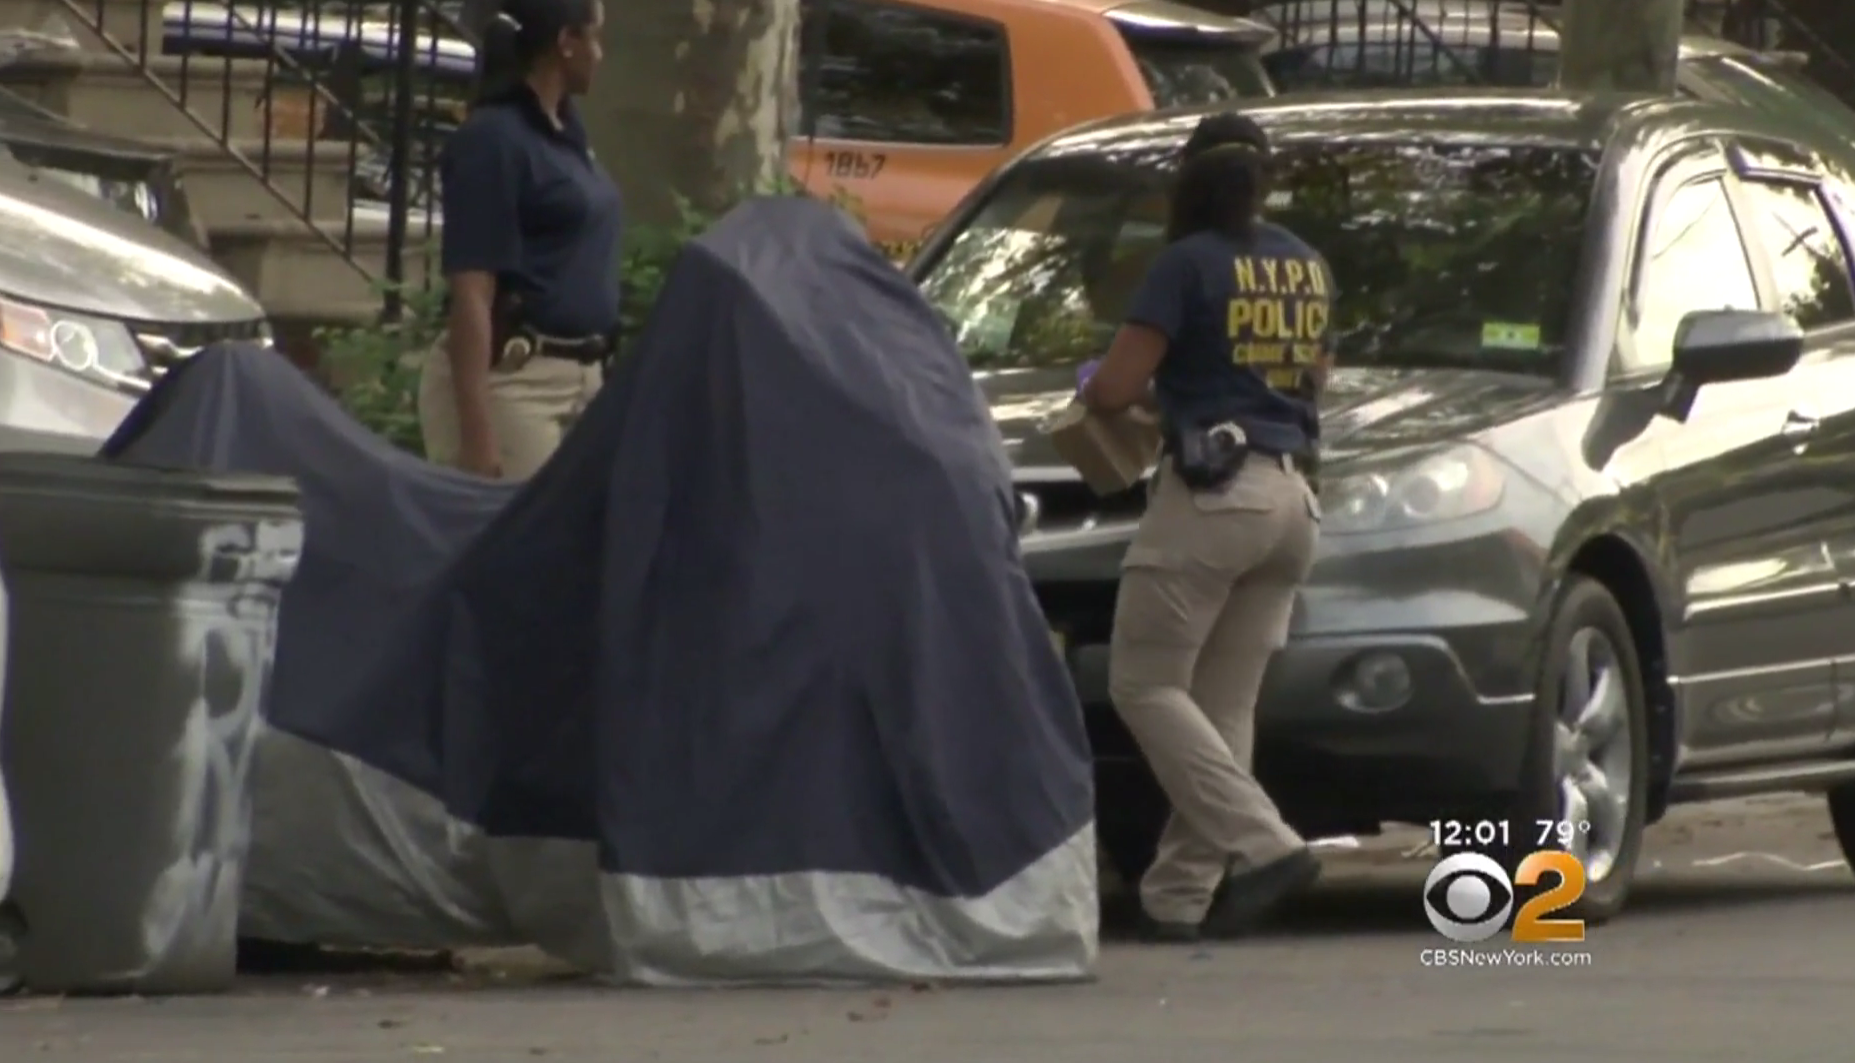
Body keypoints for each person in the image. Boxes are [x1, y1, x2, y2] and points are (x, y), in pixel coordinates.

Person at [1078, 112, 1333, 942]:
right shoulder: (1301, 262)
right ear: (1264, 179)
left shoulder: (1183, 265)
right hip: (1292, 500)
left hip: (1216, 497)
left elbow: (1113, 390)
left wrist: (1110, 385)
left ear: (1184, 180)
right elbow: (1309, 378)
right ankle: (1178, 896)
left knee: (1141, 683)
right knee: (1223, 705)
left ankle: (1268, 845)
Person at [418, 0, 621, 479]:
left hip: (583, 381)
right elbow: (472, 290)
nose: (600, 53)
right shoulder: (493, 141)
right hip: (516, 383)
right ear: (565, 44)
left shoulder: (566, 133)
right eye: (593, 37)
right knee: (515, 546)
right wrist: (477, 434)